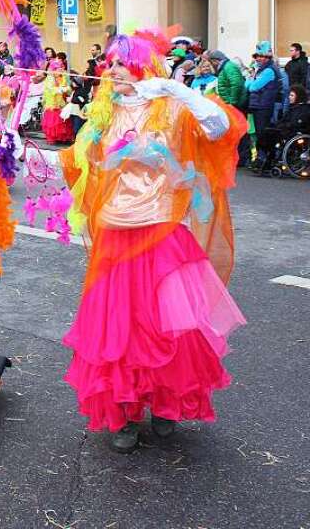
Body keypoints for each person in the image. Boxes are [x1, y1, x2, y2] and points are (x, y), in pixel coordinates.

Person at [59, 27, 246, 453]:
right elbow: (80, 163)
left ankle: (167, 403)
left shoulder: (172, 110)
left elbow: (220, 128)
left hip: (162, 228)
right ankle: (124, 412)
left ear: (146, 68)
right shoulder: (103, 114)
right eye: (112, 64)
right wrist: (77, 157)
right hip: (116, 231)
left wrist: (175, 90)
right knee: (119, 329)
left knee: (168, 327)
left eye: (124, 63)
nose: (115, 71)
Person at [253, 85, 310, 176]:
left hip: (294, 133)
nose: (289, 98)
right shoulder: (293, 108)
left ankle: (266, 161)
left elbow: (297, 123)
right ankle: (264, 160)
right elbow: (283, 121)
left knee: (271, 135)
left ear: (298, 96)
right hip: (286, 130)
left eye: (292, 95)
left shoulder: (304, 109)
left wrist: (283, 126)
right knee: (265, 132)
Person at [245, 42, 284, 170]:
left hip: (264, 106)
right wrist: (252, 79)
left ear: (268, 57)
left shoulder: (269, 70)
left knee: (263, 134)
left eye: (262, 56)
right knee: (260, 134)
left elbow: (253, 87)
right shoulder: (260, 70)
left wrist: (251, 79)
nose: (258, 58)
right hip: (258, 105)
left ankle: (265, 159)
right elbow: (247, 85)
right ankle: (262, 159)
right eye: (257, 56)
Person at [40, 56, 74, 144]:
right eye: (59, 69)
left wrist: (67, 89)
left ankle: (62, 137)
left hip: (61, 103)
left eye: (61, 68)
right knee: (53, 122)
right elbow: (51, 90)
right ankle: (53, 137)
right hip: (52, 103)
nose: (61, 70)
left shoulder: (62, 77)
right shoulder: (50, 79)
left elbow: (68, 89)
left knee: (62, 120)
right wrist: (62, 89)